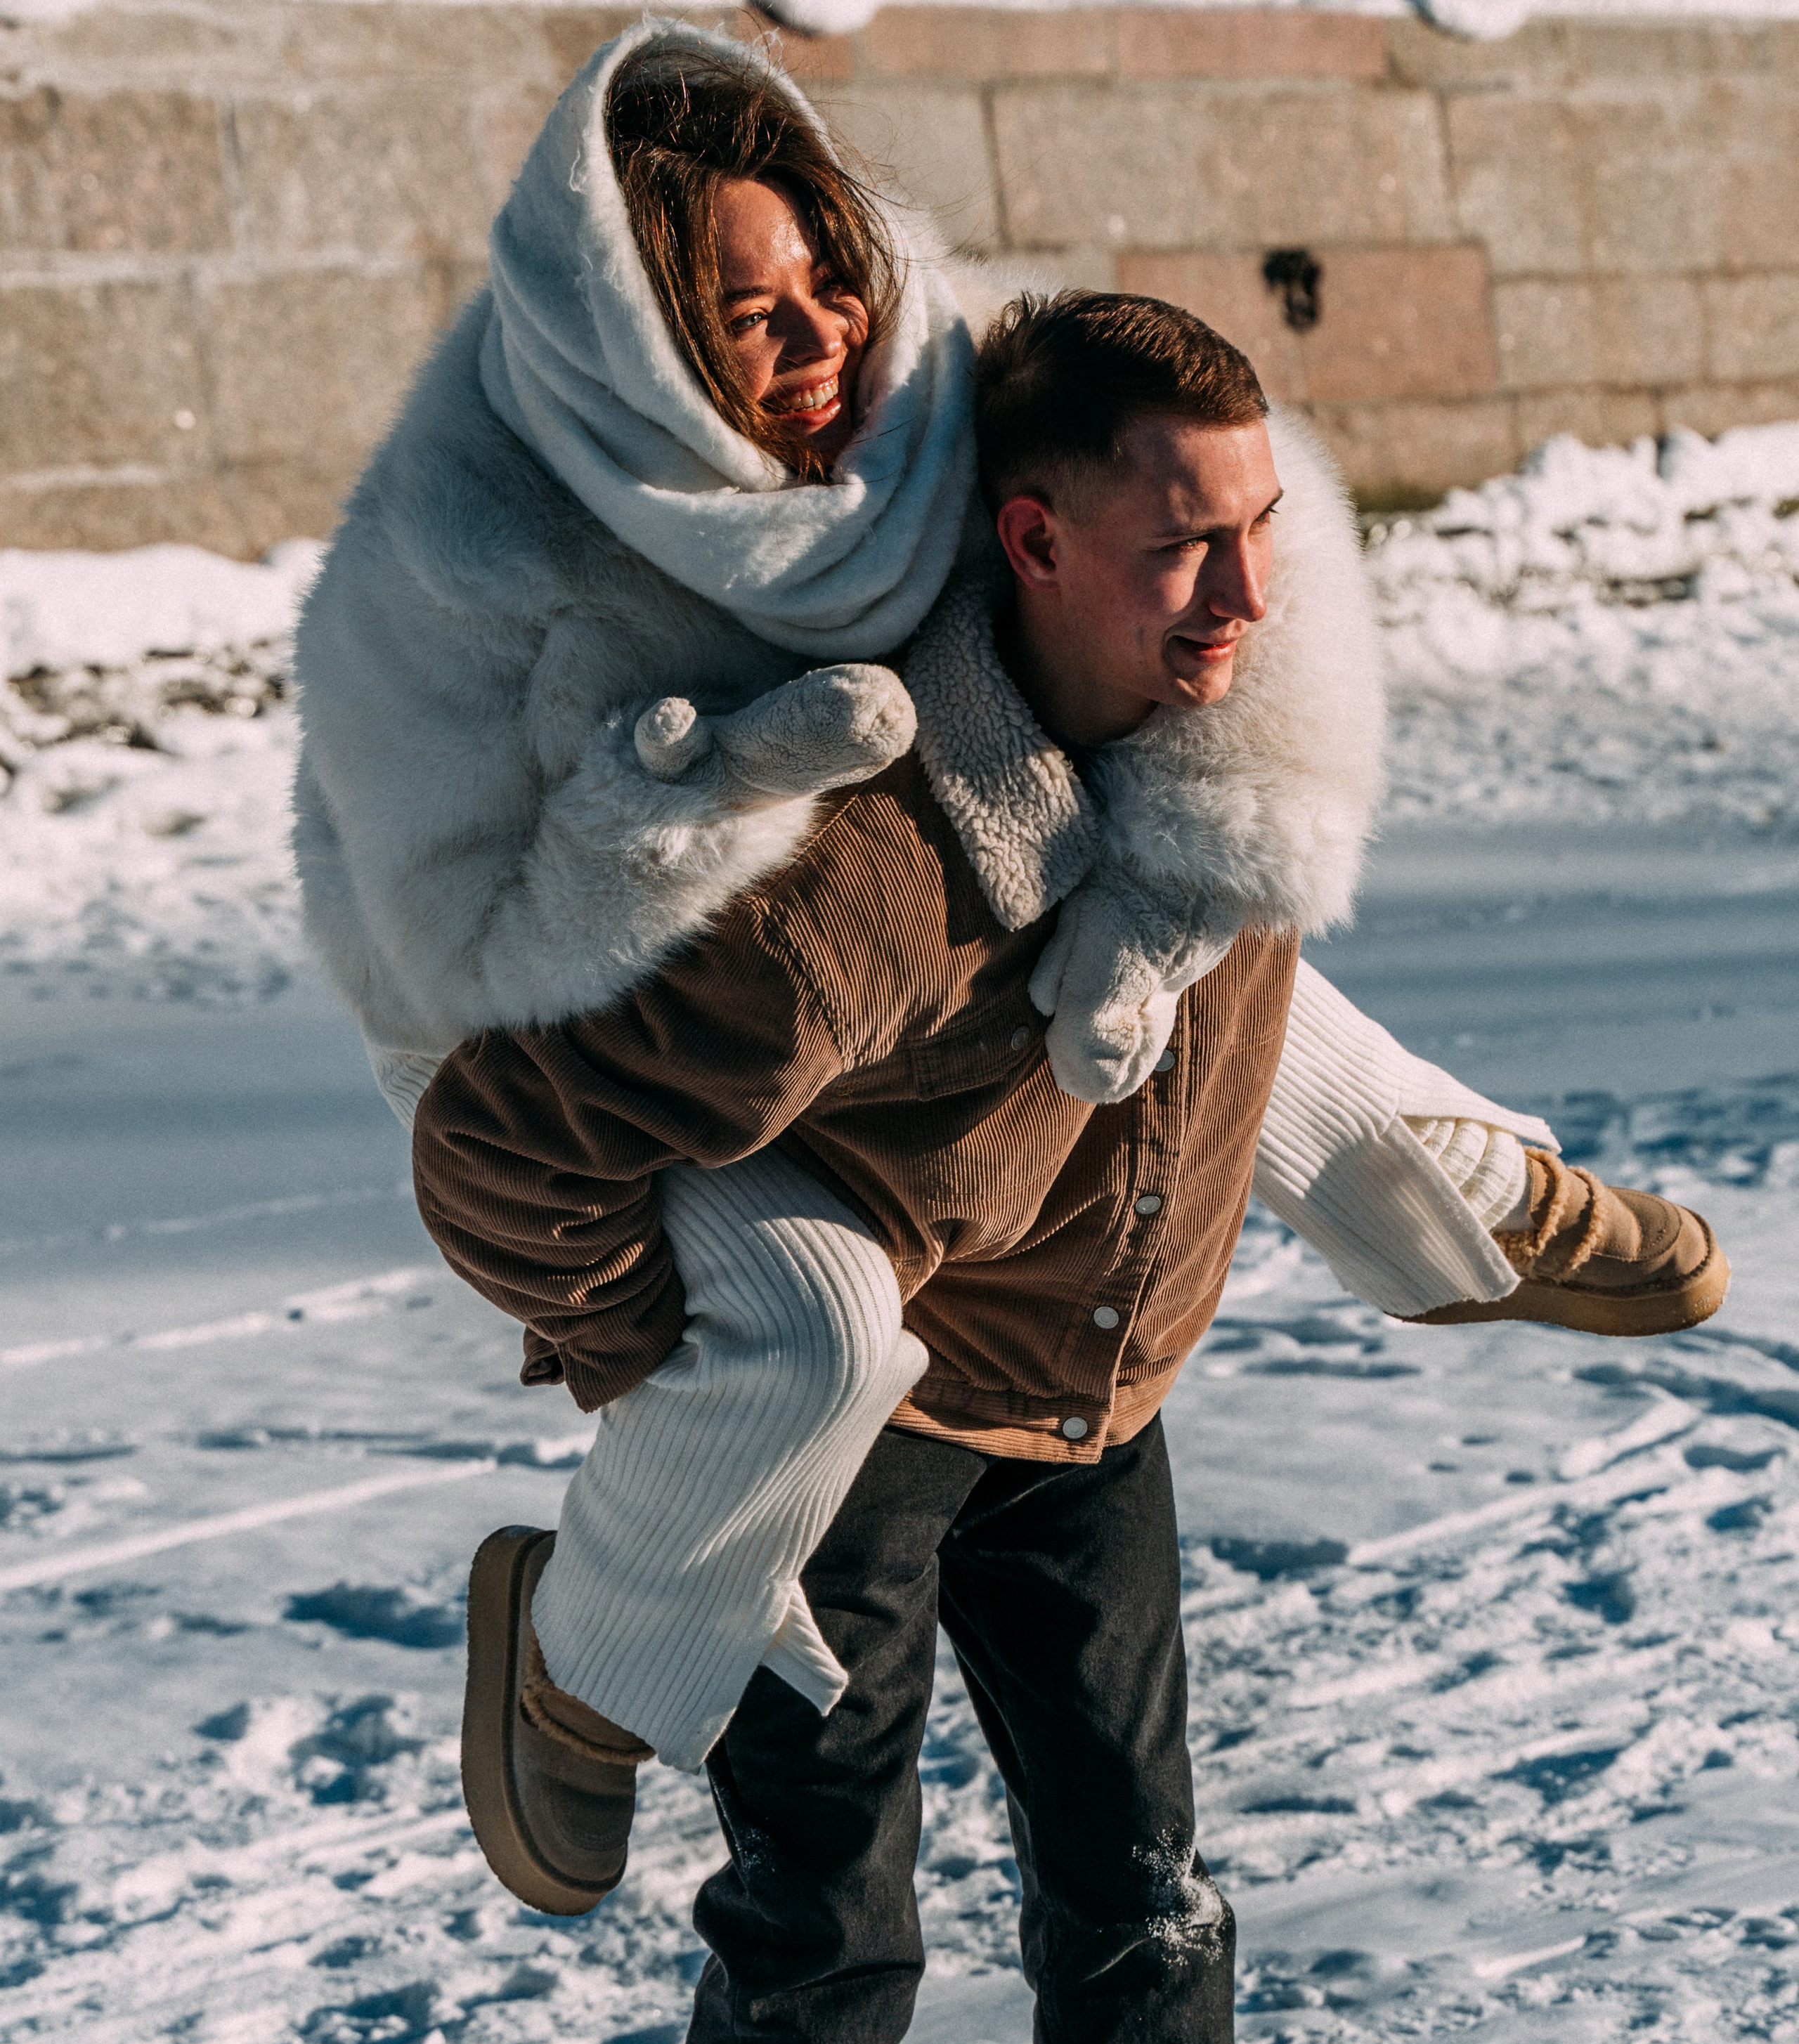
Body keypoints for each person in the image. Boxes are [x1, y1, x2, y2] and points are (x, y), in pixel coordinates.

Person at [293, 23, 1726, 1892]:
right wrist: (690, 818)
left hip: (856, 916)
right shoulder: (473, 566)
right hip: (571, 1026)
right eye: (745, 316)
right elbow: (472, 964)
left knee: (1154, 863)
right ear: (636, 345)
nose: (821, 341)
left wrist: (1125, 833)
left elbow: (1176, 505)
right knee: (811, 1329)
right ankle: (579, 1664)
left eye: (828, 278)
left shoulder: (918, 388)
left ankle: (1440, 1179)